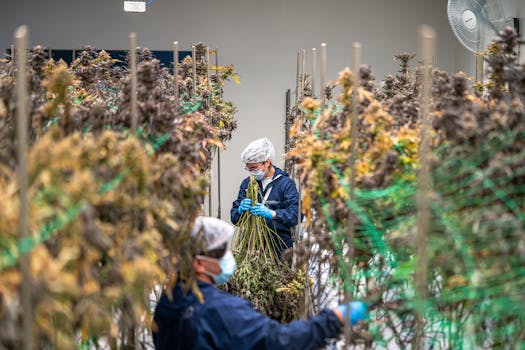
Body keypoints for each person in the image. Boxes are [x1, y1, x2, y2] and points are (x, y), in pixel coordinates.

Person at [152, 216, 368, 350]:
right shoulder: (219, 310)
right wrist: (333, 319)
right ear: (199, 263)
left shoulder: (169, 301)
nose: (229, 255)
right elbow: (278, 341)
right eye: (222, 251)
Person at [231, 138, 299, 259]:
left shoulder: (285, 184)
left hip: (280, 247)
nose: (252, 172)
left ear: (266, 162)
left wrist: (273, 214)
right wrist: (239, 211)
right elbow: (235, 219)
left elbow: (296, 215)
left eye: (254, 168)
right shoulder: (248, 184)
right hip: (252, 246)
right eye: (249, 168)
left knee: (279, 276)